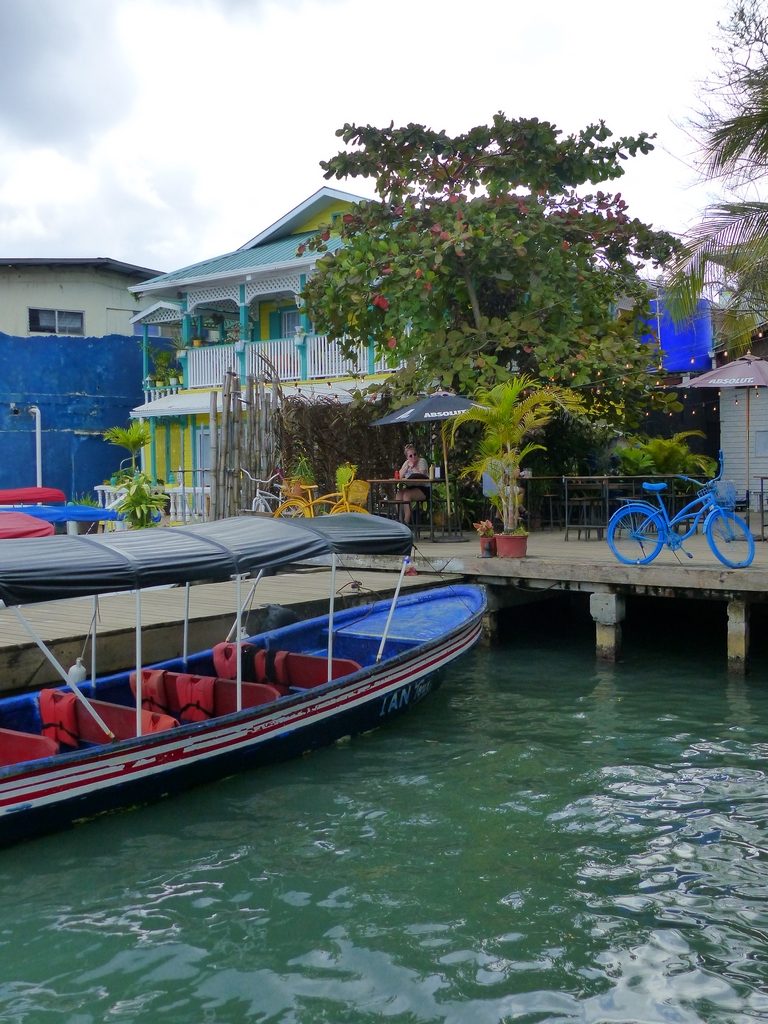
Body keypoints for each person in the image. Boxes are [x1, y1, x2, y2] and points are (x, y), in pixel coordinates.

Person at [395, 442, 429, 524]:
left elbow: (421, 475)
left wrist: (413, 467)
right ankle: (399, 519)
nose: (413, 457)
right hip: (410, 487)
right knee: (399, 494)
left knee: (407, 495)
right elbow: (399, 476)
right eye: (410, 456)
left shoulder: (422, 461)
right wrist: (407, 467)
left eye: (415, 454)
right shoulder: (407, 463)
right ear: (407, 457)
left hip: (423, 488)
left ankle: (407, 521)